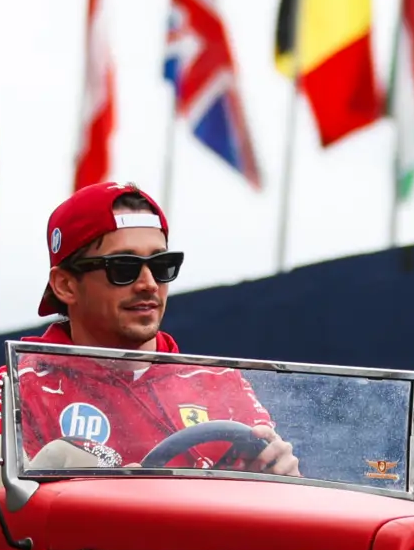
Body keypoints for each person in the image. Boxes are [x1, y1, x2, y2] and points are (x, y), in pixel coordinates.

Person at [15, 182, 297, 474]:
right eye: (123, 267)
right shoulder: (21, 388)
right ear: (65, 285)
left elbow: (277, 507)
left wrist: (284, 479)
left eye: (163, 265)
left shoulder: (220, 384)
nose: (149, 283)